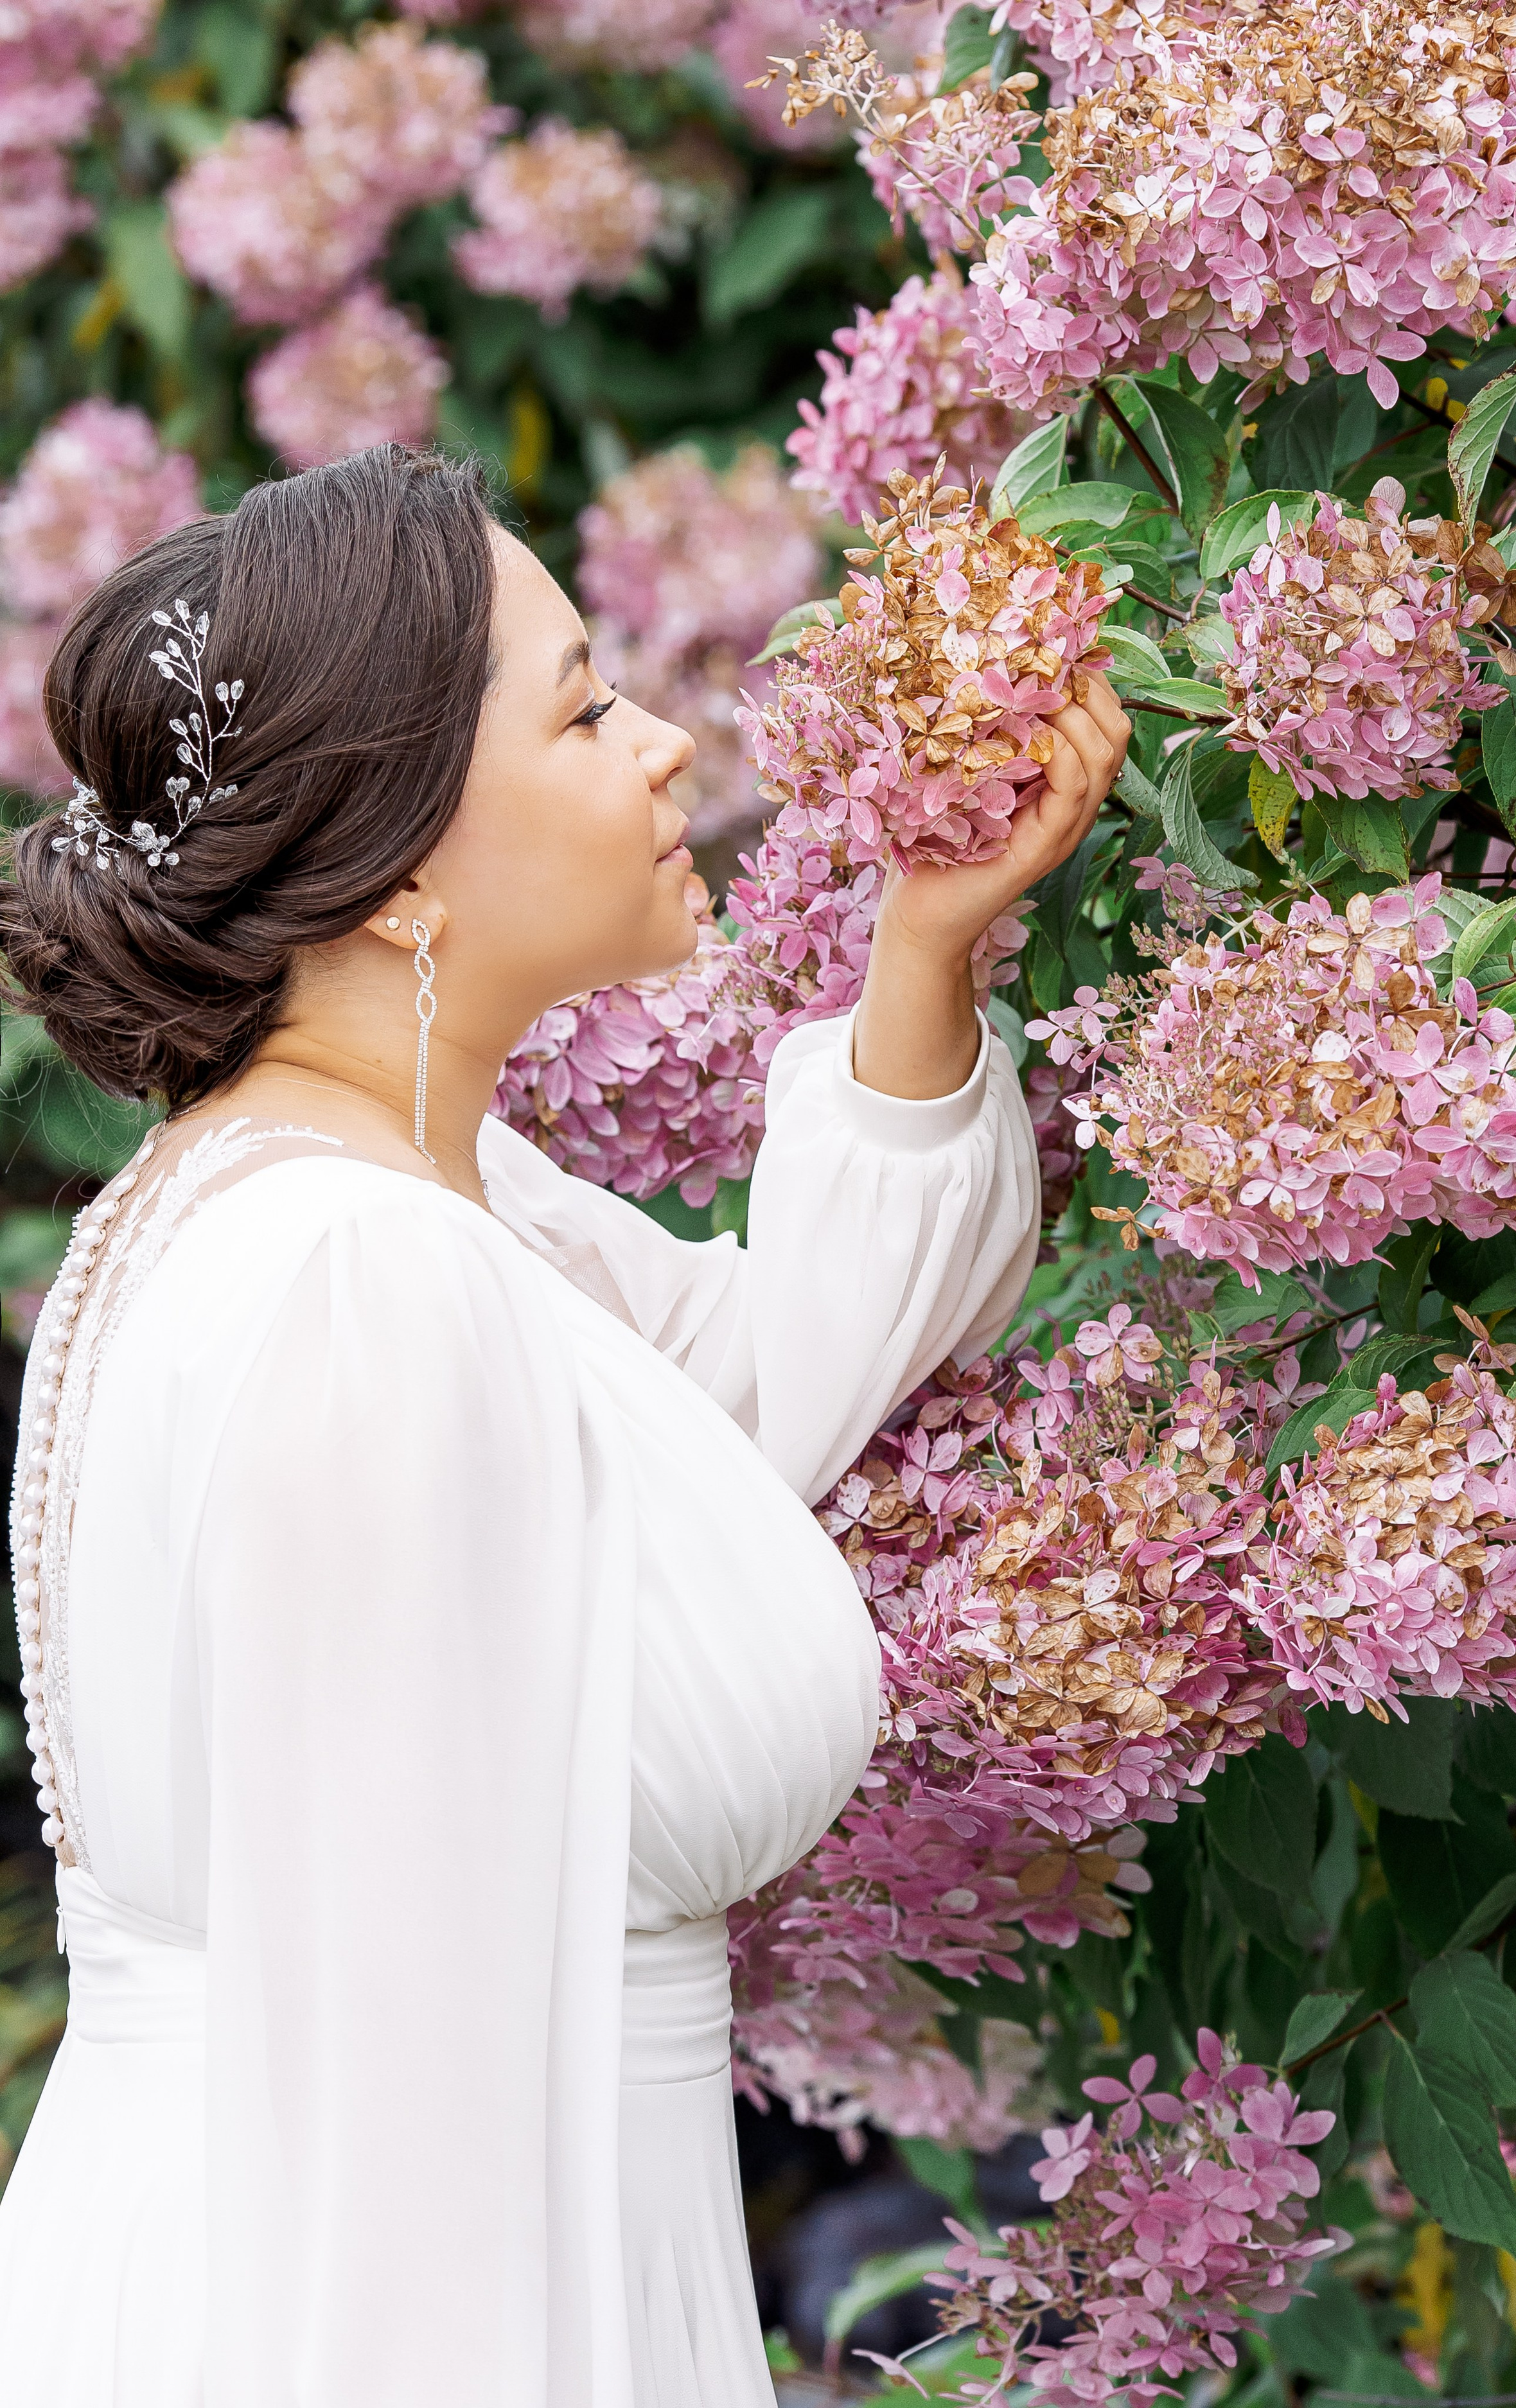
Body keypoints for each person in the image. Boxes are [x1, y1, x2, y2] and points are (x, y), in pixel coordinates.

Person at [0, 444, 1131, 2405]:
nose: (670, 742)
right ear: (402, 867)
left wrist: (922, 949)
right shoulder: (362, 1287)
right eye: (588, 708)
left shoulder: (389, 1208)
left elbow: (757, 1390)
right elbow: (401, 2115)